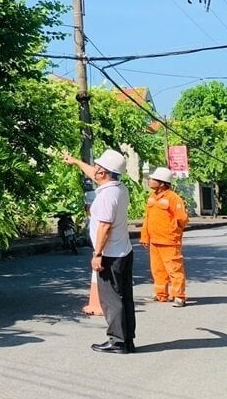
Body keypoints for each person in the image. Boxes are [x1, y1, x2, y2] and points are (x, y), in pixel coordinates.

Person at [62, 148, 135, 354]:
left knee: (111, 299)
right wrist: (75, 161)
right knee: (124, 297)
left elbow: (104, 226)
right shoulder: (119, 188)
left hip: (110, 254)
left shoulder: (106, 196)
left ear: (103, 172)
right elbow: (92, 173)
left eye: (97, 167)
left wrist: (97, 254)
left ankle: (117, 341)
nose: (94, 170)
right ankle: (127, 339)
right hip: (123, 251)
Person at [140, 166, 189, 307]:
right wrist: (145, 236)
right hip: (154, 241)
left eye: (153, 179)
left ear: (162, 183)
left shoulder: (174, 198)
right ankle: (161, 294)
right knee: (157, 270)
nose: (150, 180)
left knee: (174, 269)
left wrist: (173, 232)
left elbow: (182, 219)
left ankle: (179, 296)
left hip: (169, 241)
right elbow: (147, 219)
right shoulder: (152, 197)